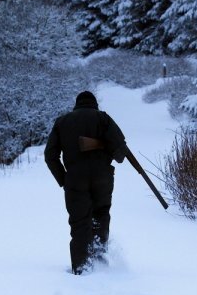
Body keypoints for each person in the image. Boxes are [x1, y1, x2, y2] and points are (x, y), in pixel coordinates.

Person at [45, 90, 129, 275]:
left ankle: (81, 269)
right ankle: (100, 264)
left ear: (77, 105)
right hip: (103, 179)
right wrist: (106, 146)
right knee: (101, 216)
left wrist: (64, 179)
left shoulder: (62, 121)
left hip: (75, 180)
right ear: (95, 105)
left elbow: (50, 155)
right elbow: (120, 154)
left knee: (79, 223)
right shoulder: (103, 119)